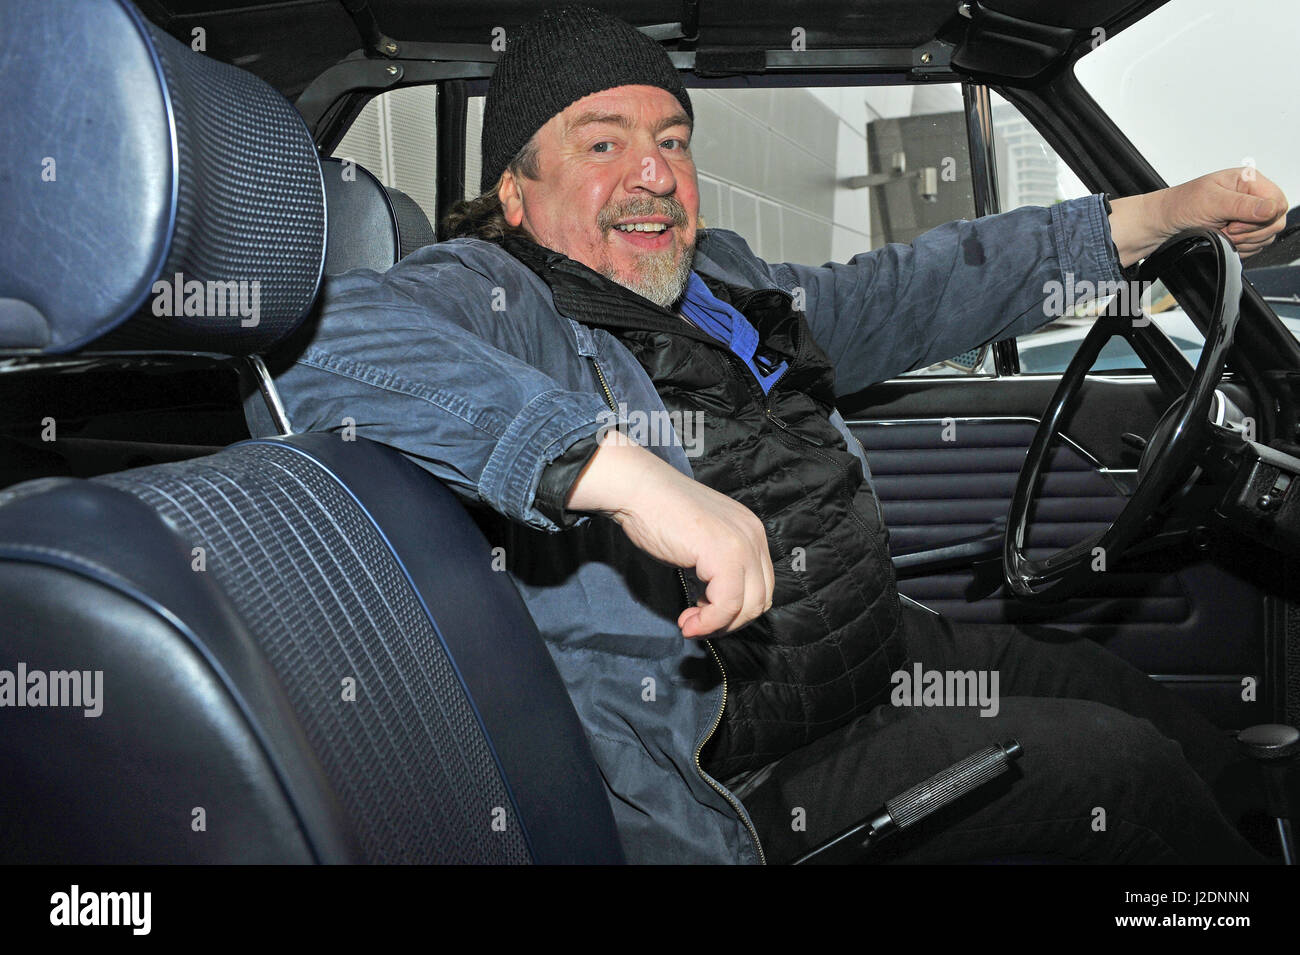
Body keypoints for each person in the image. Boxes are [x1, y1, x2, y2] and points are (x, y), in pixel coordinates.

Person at [269, 4, 1290, 863]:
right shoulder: (495, 289)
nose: (654, 172)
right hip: (732, 758)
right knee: (1120, 771)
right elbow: (327, 343)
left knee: (1143, 708)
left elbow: (919, 287)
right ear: (514, 192)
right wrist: (609, 465)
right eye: (602, 141)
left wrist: (1150, 218)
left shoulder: (725, 283)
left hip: (870, 657)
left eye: (672, 139)